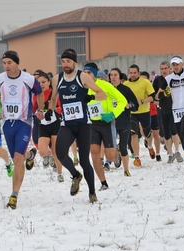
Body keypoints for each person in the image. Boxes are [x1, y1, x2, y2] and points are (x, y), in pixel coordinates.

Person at [41, 48, 106, 203]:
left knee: (84, 160)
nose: (65, 64)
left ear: (75, 62)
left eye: (68, 61)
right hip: (67, 123)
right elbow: (53, 98)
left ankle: (92, 192)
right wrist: (50, 111)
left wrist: (90, 96)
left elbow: (102, 94)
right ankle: (75, 175)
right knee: (59, 152)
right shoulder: (57, 79)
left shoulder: (82, 76)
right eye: (63, 61)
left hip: (84, 124)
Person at [0, 50, 43, 209]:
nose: (6, 66)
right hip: (7, 123)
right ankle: (30, 154)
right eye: (4, 63)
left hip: (24, 122)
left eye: (9, 63)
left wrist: (40, 109)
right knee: (17, 157)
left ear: (16, 63)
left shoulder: (28, 79)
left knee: (18, 161)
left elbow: (39, 93)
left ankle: (14, 196)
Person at [83, 62, 127, 191]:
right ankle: (103, 182)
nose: (86, 75)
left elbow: (122, 101)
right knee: (95, 154)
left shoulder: (105, 86)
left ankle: (116, 151)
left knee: (110, 157)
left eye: (89, 72)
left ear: (95, 74)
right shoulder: (81, 87)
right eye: (84, 73)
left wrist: (112, 114)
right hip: (91, 124)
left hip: (106, 122)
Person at [124, 65, 156, 167]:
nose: (132, 75)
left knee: (147, 133)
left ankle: (150, 146)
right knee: (134, 135)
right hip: (132, 113)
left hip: (144, 112)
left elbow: (152, 97)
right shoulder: (126, 84)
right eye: (131, 73)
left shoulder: (145, 82)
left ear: (138, 73)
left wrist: (142, 101)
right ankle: (137, 157)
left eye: (134, 73)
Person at [35, 72, 64, 182]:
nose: (41, 85)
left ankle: (60, 173)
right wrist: (38, 114)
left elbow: (61, 107)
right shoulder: (37, 96)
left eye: (43, 82)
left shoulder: (54, 93)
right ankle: (49, 157)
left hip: (55, 124)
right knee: (42, 151)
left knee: (56, 150)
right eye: (39, 83)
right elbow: (34, 109)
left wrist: (55, 110)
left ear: (49, 82)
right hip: (43, 125)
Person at [110, 67, 139, 176]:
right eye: (111, 75)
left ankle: (126, 170)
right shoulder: (107, 89)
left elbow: (135, 105)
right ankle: (112, 157)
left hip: (124, 122)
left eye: (115, 75)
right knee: (110, 146)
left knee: (123, 146)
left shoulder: (126, 90)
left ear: (120, 77)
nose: (113, 77)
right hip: (110, 122)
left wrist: (128, 106)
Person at [153, 61, 184, 164]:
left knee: (174, 130)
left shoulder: (174, 78)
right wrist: (158, 99)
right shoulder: (157, 81)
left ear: (169, 69)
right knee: (166, 132)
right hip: (163, 109)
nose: (163, 71)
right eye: (161, 69)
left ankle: (177, 151)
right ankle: (170, 154)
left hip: (174, 109)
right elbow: (154, 96)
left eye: (165, 68)